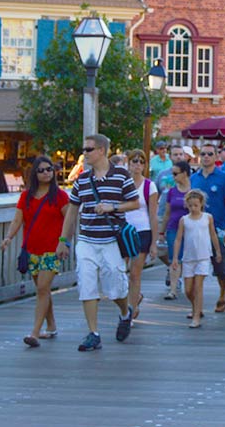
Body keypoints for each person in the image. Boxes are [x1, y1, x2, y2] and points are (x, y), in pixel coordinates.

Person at [56, 134, 140, 352]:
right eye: (84, 149)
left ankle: (124, 312)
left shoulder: (121, 176)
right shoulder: (82, 180)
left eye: (89, 149)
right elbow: (72, 211)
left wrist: (113, 207)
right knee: (86, 285)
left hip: (111, 240)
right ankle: (93, 333)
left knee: (115, 288)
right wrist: (63, 241)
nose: (85, 153)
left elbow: (134, 203)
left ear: (102, 150)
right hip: (87, 239)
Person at [0, 155, 69, 347]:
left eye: (49, 169)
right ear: (35, 174)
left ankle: (35, 333)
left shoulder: (61, 196)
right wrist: (8, 237)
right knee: (43, 290)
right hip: (31, 250)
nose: (46, 173)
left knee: (41, 290)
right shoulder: (26, 196)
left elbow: (70, 221)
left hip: (51, 250)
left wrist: (65, 242)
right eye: (41, 170)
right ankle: (52, 326)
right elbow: (17, 219)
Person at [190, 145, 225, 313]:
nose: (206, 157)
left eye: (210, 154)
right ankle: (196, 306)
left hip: (217, 228)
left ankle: (223, 292)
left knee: (220, 266)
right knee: (195, 268)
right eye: (203, 154)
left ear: (216, 156)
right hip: (196, 228)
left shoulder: (224, 178)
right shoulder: (194, 178)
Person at [172, 189, 222, 328]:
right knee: (188, 290)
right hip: (188, 258)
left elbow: (213, 235)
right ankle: (196, 307)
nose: (193, 208)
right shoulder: (184, 220)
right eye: (190, 205)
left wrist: (217, 251)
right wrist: (175, 258)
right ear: (187, 206)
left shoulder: (207, 218)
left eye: (196, 205)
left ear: (201, 204)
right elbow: (178, 239)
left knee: (198, 286)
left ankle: (196, 317)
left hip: (204, 256)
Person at [123, 149, 160, 319]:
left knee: (135, 272)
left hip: (142, 231)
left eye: (141, 161)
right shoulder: (122, 184)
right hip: (124, 232)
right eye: (134, 161)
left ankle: (131, 309)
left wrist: (154, 242)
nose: (137, 164)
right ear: (128, 163)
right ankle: (132, 299)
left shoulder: (149, 186)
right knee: (121, 271)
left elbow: (153, 215)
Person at [161, 160, 194, 300]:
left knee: (191, 260)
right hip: (174, 227)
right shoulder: (172, 191)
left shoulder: (193, 191)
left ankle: (191, 288)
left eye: (175, 174)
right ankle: (173, 289)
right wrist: (161, 232)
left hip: (191, 229)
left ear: (185, 173)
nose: (173, 177)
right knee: (174, 259)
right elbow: (167, 212)